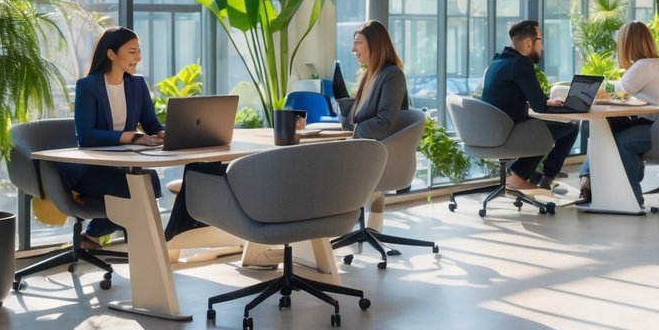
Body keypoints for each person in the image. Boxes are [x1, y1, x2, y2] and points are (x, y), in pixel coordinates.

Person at [164, 20, 411, 240]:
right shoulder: (370, 76)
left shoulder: (392, 76)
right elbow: (356, 119)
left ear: (376, 44)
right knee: (203, 170)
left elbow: (383, 122)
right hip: (361, 152)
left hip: (374, 158)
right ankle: (183, 225)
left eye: (358, 43)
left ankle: (179, 226)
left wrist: (353, 129)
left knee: (203, 171)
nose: (353, 49)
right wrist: (340, 102)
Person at [65, 27, 164, 248]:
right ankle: (144, 251)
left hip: (122, 165)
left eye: (138, 51)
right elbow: (87, 136)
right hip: (89, 168)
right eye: (131, 51)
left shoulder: (137, 84)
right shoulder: (88, 86)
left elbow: (151, 124)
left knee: (152, 183)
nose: (138, 58)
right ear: (111, 54)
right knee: (139, 190)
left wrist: (162, 133)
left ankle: (92, 235)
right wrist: (132, 137)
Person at [579, 21, 659, 206]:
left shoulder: (645, 66)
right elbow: (622, 89)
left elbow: (619, 89)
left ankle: (630, 199)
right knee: (604, 134)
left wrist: (596, 87)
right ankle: (592, 182)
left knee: (621, 142)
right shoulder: (656, 63)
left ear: (626, 45)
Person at [480, 19, 579, 192]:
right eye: (540, 40)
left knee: (539, 128)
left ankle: (531, 177)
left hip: (489, 131)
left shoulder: (498, 60)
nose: (542, 46)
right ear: (528, 42)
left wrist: (543, 102)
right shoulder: (521, 63)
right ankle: (527, 178)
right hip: (507, 133)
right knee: (569, 129)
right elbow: (539, 107)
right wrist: (564, 107)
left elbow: (511, 96)